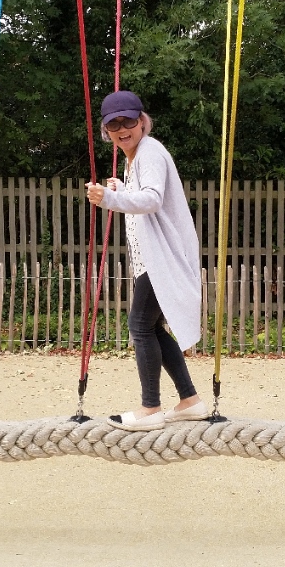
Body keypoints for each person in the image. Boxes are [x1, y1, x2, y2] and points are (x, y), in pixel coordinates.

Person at [84, 90, 206, 431]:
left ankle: (150, 408)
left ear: (142, 121)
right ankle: (190, 401)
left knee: (140, 326)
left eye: (130, 121)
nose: (124, 129)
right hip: (155, 256)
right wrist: (122, 191)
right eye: (114, 124)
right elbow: (149, 200)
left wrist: (109, 198)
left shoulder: (149, 151)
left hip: (162, 255)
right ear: (106, 131)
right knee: (150, 326)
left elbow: (152, 200)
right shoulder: (136, 156)